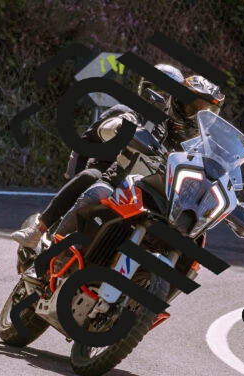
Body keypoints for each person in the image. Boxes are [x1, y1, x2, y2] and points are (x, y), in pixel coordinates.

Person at [11, 64, 187, 248]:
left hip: (140, 184)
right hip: (105, 170)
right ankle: (38, 230)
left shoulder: (168, 133)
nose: (162, 97)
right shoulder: (124, 111)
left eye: (168, 93)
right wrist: (74, 175)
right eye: (158, 89)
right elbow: (85, 143)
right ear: (145, 88)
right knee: (90, 177)